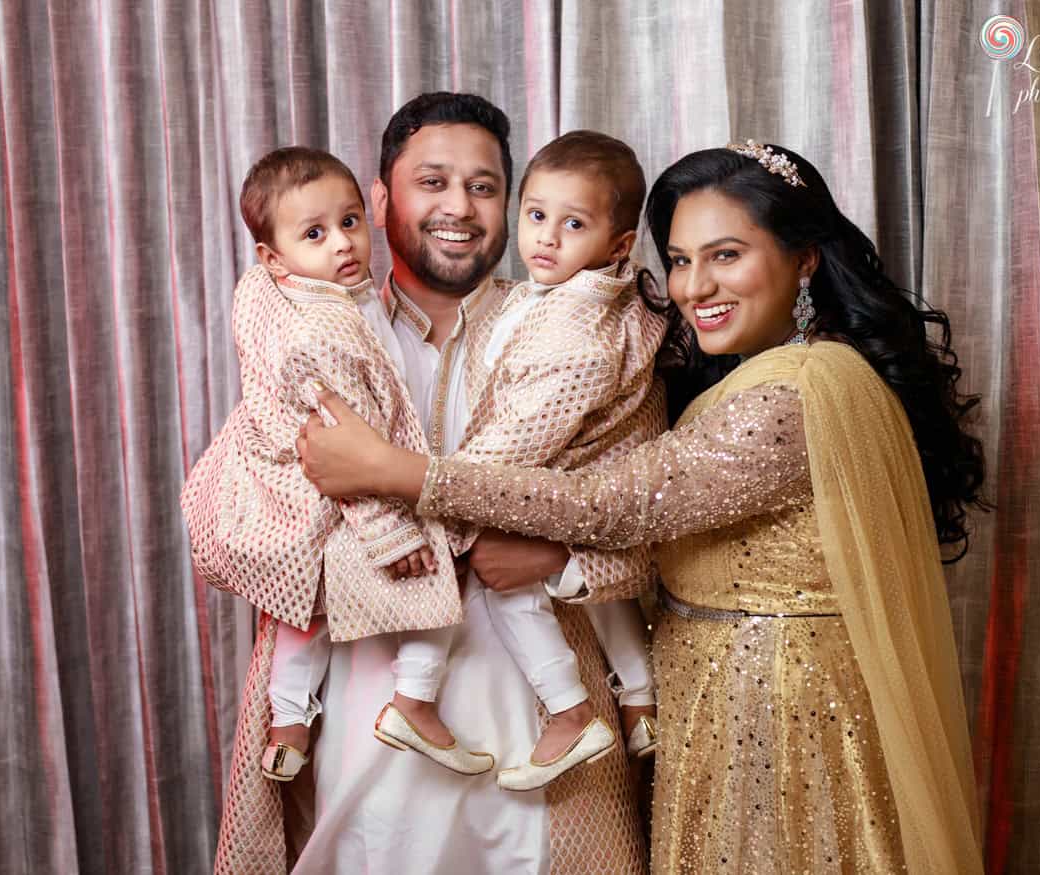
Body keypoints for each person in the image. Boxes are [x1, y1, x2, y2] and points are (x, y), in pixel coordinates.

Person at [297, 141, 988, 873]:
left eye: (726, 255)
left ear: (805, 258)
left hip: (782, 715)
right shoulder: (757, 374)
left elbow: (614, 501)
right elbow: (692, 532)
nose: (695, 285)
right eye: (683, 260)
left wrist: (393, 471)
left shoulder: (798, 392)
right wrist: (562, 563)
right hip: (721, 701)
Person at [207, 95, 649, 874]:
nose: (459, 207)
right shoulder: (314, 339)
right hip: (369, 701)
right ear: (379, 201)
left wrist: (559, 560)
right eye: (432, 181)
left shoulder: (578, 334)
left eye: (483, 186)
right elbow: (245, 522)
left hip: (542, 715)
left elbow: (649, 520)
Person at [461, 130, 671, 785]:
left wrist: (433, 486)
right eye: (536, 215)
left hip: (578, 480)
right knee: (609, 599)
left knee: (506, 582)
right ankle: (639, 700)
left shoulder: (579, 327)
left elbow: (519, 439)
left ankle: (568, 709)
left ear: (617, 246)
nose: (546, 238)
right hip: (598, 482)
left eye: (572, 223)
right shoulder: (565, 296)